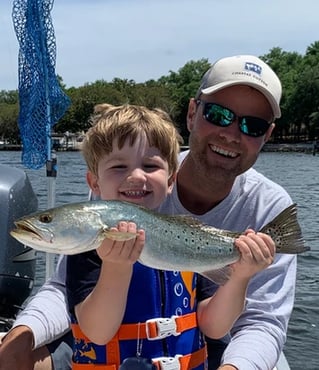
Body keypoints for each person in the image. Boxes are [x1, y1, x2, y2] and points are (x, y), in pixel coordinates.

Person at [0, 54, 296, 370]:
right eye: (219, 114)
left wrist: (239, 278)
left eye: (253, 125)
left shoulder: (268, 205)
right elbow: (72, 298)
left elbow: (252, 321)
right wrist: (23, 334)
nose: (232, 133)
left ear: (267, 134)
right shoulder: (111, 197)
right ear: (193, 113)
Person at [64, 103, 274, 369]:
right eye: (119, 167)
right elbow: (98, 332)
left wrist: (241, 276)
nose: (136, 176)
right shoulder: (91, 245)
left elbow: (214, 326)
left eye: (150, 166)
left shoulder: (189, 237)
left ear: (171, 179)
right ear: (94, 183)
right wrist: (115, 267)